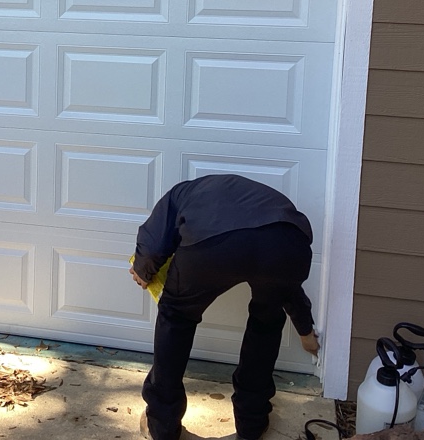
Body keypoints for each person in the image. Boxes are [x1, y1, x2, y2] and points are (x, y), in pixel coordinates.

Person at [130, 173, 320, 440]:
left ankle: (162, 426)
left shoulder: (176, 197)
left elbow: (153, 244)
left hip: (212, 244)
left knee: (176, 316)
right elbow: (288, 286)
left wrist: (142, 270)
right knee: (266, 320)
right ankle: (252, 425)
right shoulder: (236, 194)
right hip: (287, 240)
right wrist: (305, 329)